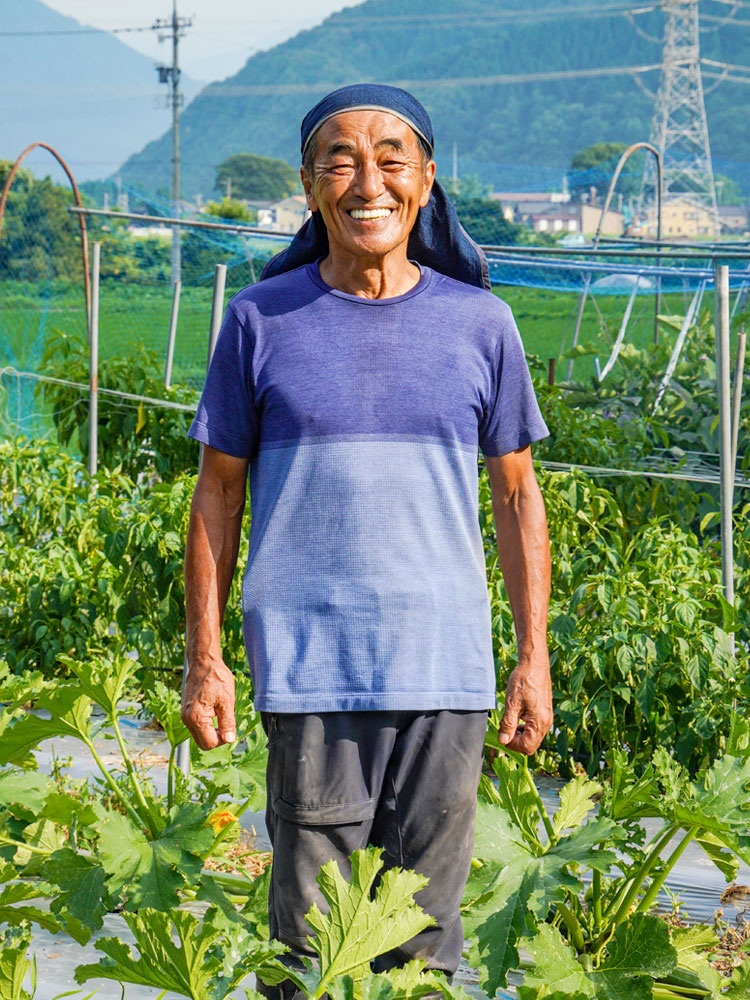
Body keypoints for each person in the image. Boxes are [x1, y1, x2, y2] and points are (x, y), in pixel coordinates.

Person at [181, 84, 553, 993]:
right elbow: (216, 495)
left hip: (446, 671)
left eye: (391, 157)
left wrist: (532, 656)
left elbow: (516, 499)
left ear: (426, 181)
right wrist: (206, 656)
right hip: (314, 671)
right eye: (339, 159)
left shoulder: (481, 325)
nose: (367, 180)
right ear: (310, 187)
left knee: (426, 943)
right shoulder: (259, 320)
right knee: (313, 949)